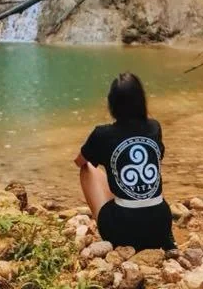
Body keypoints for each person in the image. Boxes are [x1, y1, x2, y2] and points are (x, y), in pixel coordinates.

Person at [75, 72, 176, 251]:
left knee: (88, 167)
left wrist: (95, 152)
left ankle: (110, 228)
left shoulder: (102, 134)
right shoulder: (154, 127)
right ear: (141, 101)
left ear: (111, 103)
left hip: (123, 232)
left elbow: (79, 161)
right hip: (161, 226)